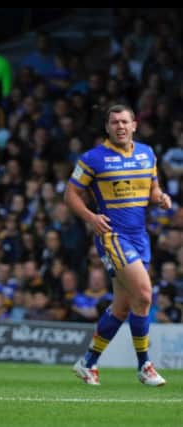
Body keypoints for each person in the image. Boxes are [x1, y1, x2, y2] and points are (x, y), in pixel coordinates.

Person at [65, 104, 170, 386]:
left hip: (140, 237)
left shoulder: (147, 153)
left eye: (124, 122)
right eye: (114, 123)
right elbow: (70, 193)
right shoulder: (93, 158)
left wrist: (160, 197)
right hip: (112, 235)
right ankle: (144, 365)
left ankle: (88, 363)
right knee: (145, 295)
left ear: (134, 124)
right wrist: (90, 217)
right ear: (107, 127)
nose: (120, 127)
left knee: (123, 307)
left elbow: (152, 187)